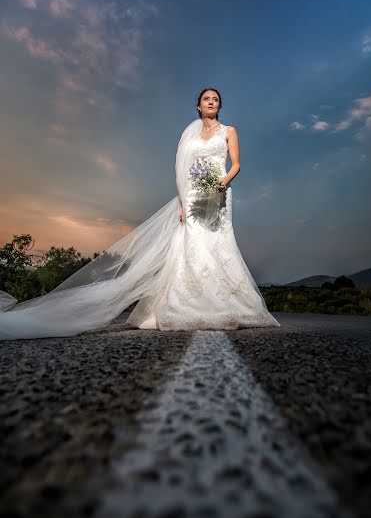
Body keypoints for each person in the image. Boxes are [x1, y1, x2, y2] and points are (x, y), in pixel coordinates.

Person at [0, 88, 280, 339]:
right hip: (193, 197)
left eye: (215, 100)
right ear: (198, 105)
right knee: (192, 246)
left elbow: (236, 164)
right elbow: (182, 170)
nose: (211, 102)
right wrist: (183, 202)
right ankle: (189, 302)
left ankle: (226, 302)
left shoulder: (229, 130)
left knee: (220, 244)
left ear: (220, 106)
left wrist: (222, 183)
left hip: (219, 194)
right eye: (206, 99)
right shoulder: (190, 134)